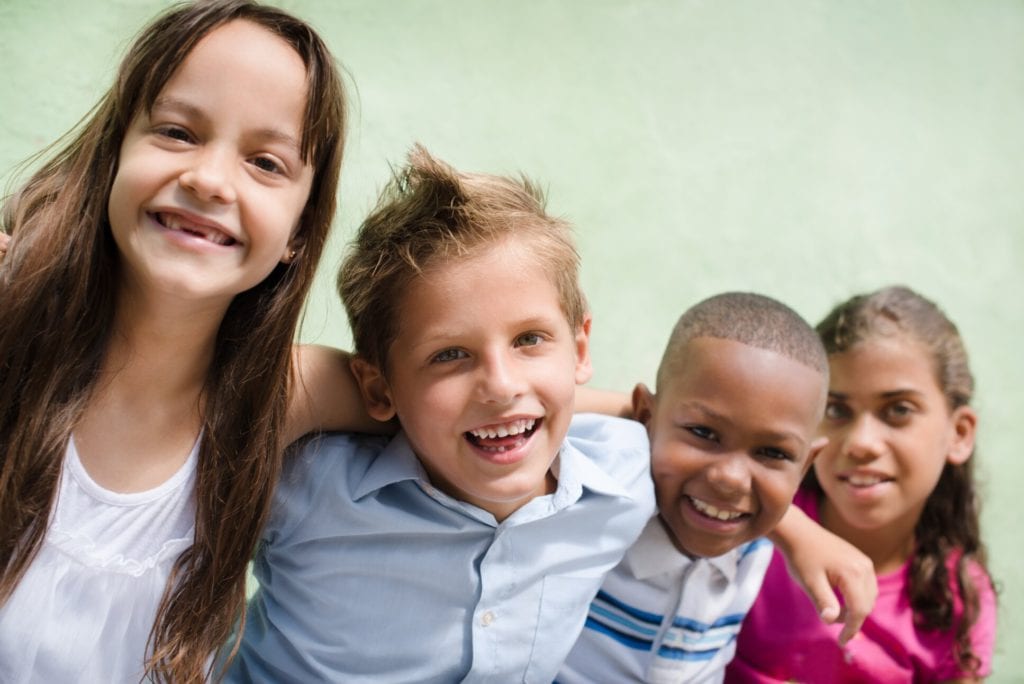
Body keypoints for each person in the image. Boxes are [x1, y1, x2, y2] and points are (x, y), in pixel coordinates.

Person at [0, 2, 369, 681]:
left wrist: (633, 413)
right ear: (114, 154)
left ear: (298, 233)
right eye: (176, 132)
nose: (208, 180)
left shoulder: (279, 397)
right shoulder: (10, 325)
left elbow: (472, 391)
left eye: (264, 162)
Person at [222, 145, 656, 683]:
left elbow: (733, 458)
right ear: (377, 389)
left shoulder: (628, 472)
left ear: (581, 349)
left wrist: (796, 536)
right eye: (449, 355)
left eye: (530, 339)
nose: (501, 386)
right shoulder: (305, 486)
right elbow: (234, 396)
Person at [557, 292, 878, 683]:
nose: (730, 478)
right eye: (703, 432)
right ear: (645, 415)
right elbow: (533, 408)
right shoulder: (599, 494)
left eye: (772, 453)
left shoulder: (752, 547)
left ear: (806, 464)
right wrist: (796, 529)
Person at [727, 286, 998, 682]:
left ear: (958, 433)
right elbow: (658, 425)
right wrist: (794, 531)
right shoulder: (745, 519)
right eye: (836, 410)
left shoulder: (959, 599)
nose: (860, 443)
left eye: (898, 410)